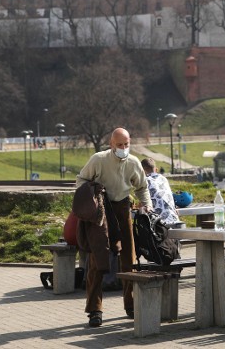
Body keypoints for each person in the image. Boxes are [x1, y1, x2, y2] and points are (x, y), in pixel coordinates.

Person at [76, 127, 151, 327]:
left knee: (129, 260)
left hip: (123, 208)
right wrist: (90, 197)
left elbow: (142, 187)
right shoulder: (98, 160)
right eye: (119, 145)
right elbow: (81, 180)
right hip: (101, 211)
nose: (123, 148)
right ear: (111, 145)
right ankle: (94, 310)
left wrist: (146, 205)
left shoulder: (134, 162)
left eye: (126, 144)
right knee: (97, 261)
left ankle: (131, 305)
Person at [141, 157, 180, 226]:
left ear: (142, 171)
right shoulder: (163, 178)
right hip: (174, 219)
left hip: (160, 224)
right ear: (156, 169)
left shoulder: (146, 181)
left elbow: (144, 203)